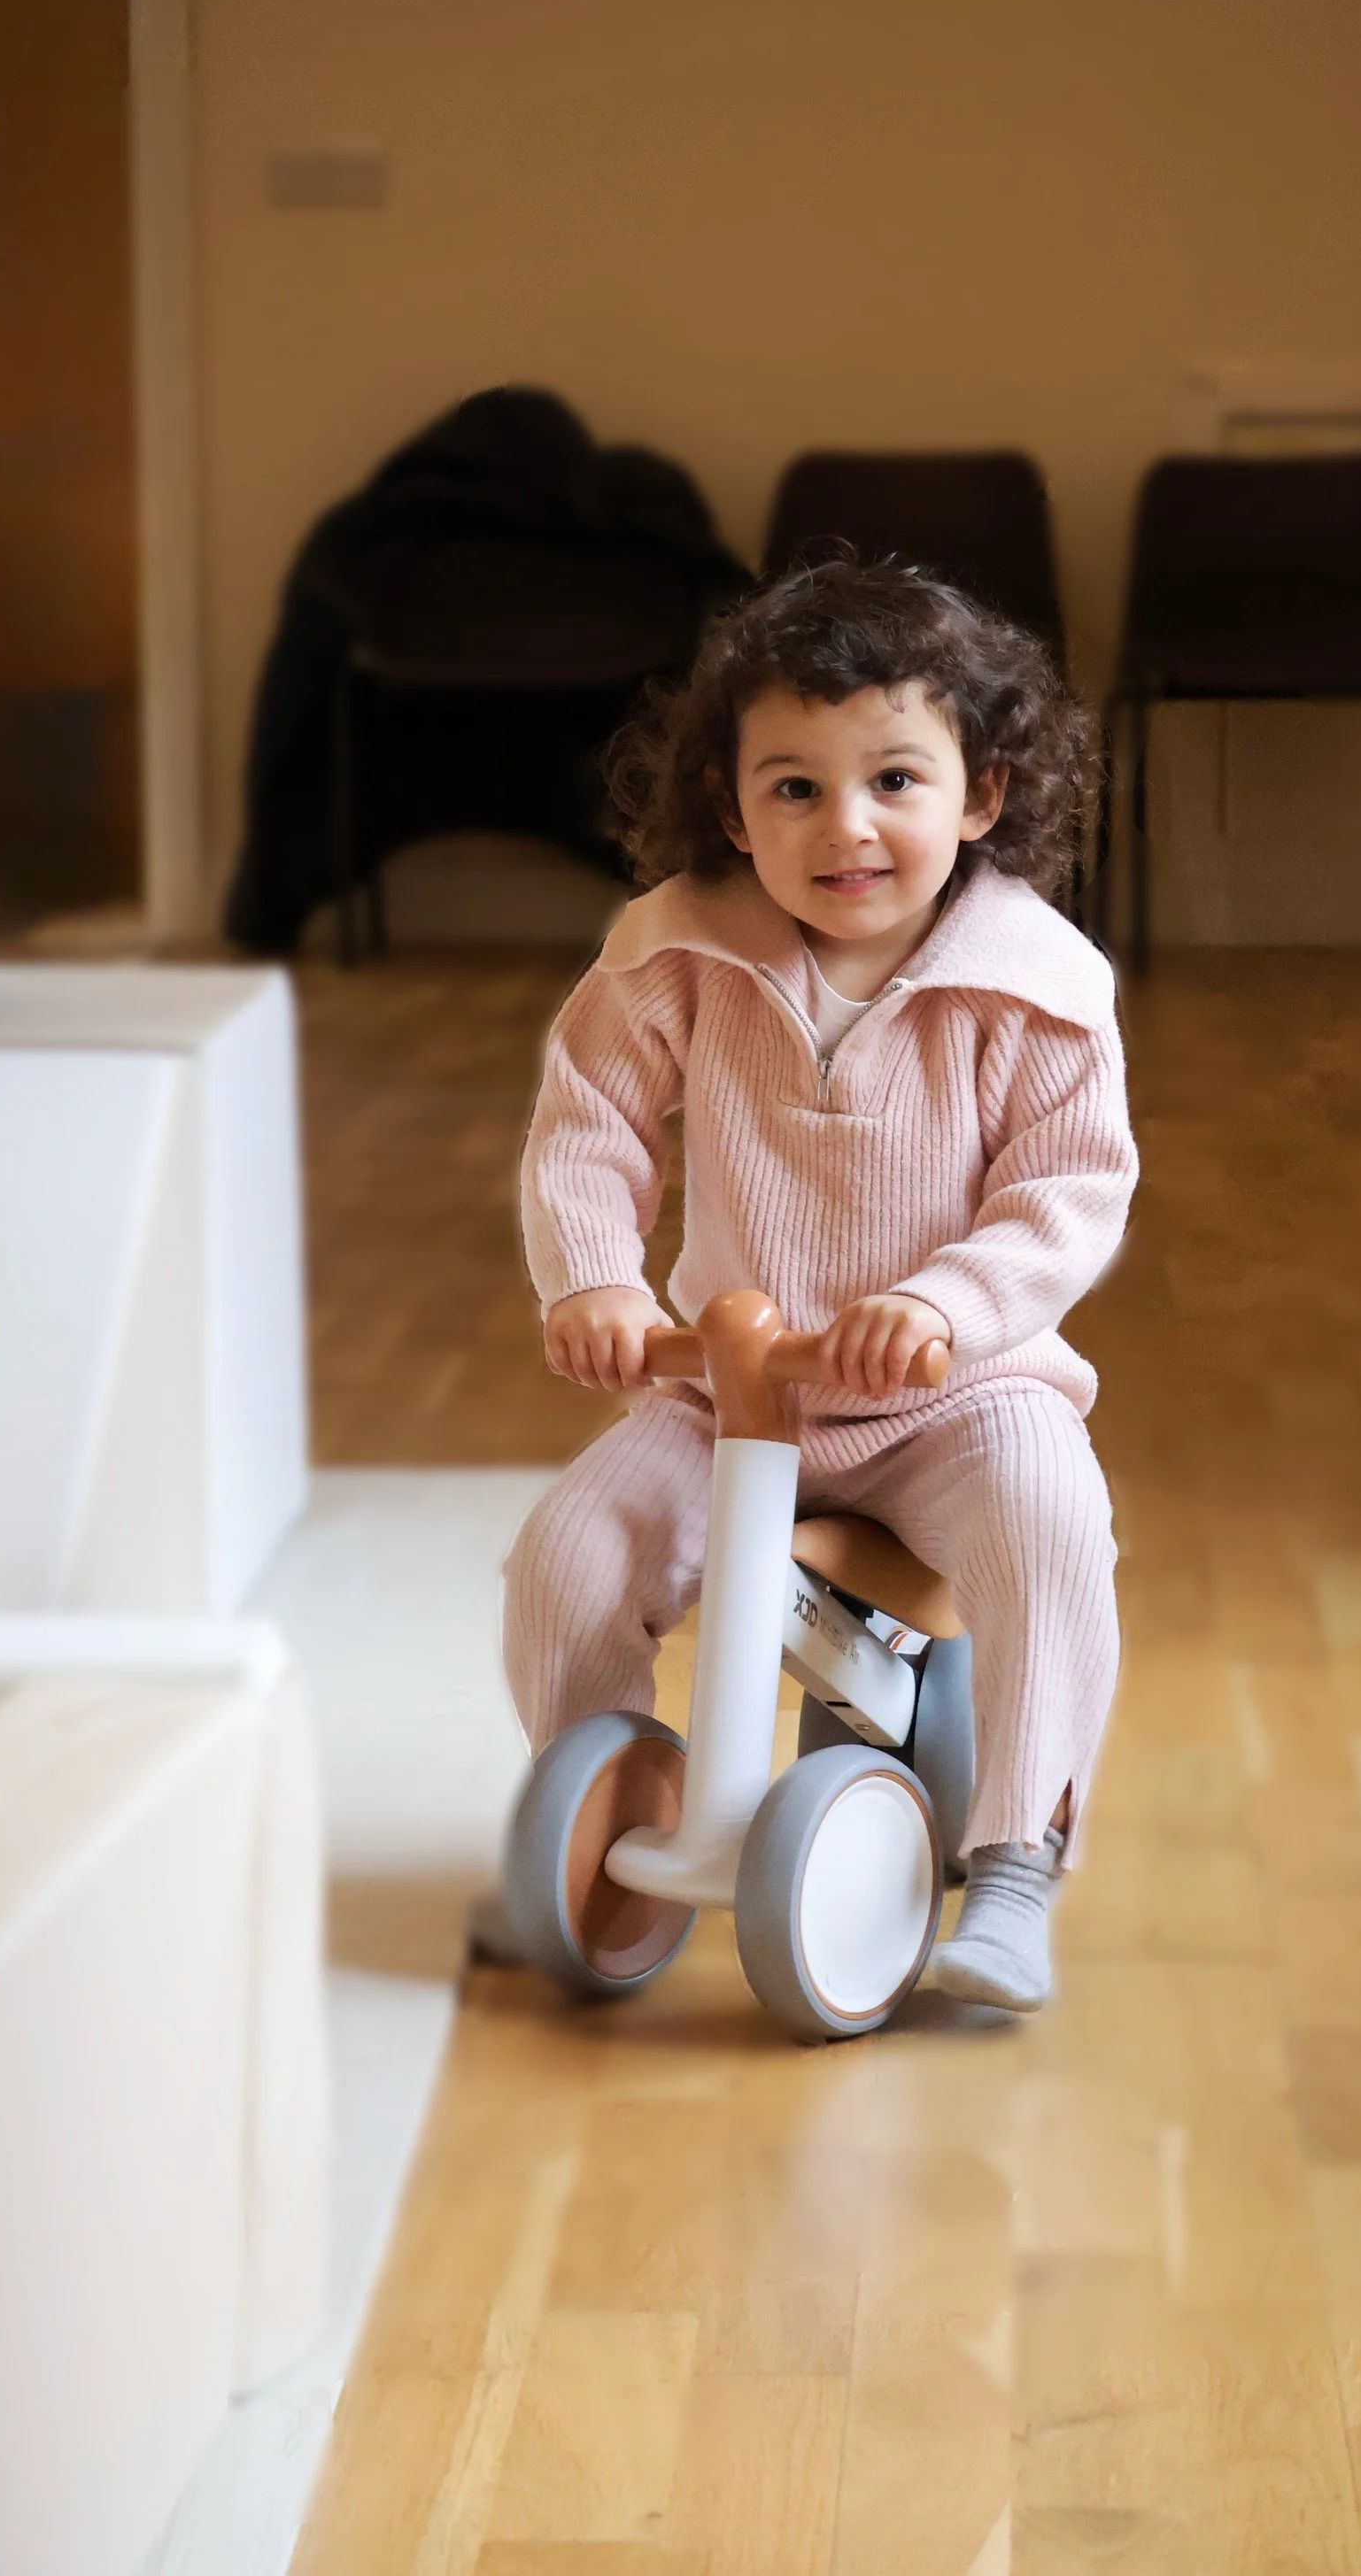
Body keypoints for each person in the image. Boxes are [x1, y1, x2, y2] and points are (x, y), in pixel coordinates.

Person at [504, 556, 1138, 2009]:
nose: (846, 826)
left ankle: (1017, 1865)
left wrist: (947, 1308)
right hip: (734, 1395)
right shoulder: (679, 949)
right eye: (794, 789)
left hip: (957, 1395)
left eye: (894, 781)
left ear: (980, 794)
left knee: (1052, 1529)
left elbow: (1068, 1191)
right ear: (733, 810)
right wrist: (597, 1281)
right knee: (569, 1556)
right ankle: (603, 1800)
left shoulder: (1036, 983)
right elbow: (588, 1127)